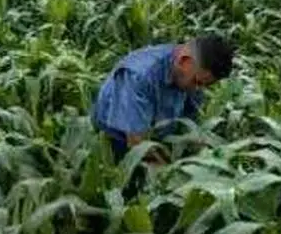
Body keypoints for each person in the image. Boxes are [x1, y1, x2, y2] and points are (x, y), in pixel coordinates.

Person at [91, 34, 235, 164]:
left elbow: (190, 123)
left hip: (157, 135)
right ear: (184, 62)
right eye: (197, 82)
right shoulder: (139, 75)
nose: (198, 89)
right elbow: (137, 144)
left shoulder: (192, 74)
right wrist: (170, 175)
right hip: (117, 140)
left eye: (206, 85)